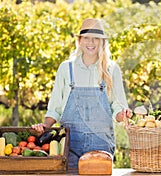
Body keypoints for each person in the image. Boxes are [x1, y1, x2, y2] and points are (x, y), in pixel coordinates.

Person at [32, 18, 132, 169]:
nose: (91, 43)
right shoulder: (66, 68)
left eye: (95, 39)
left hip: (101, 143)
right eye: (86, 38)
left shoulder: (111, 69)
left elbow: (117, 105)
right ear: (79, 40)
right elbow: (56, 107)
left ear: (102, 42)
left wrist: (122, 114)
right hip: (70, 143)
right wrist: (44, 126)